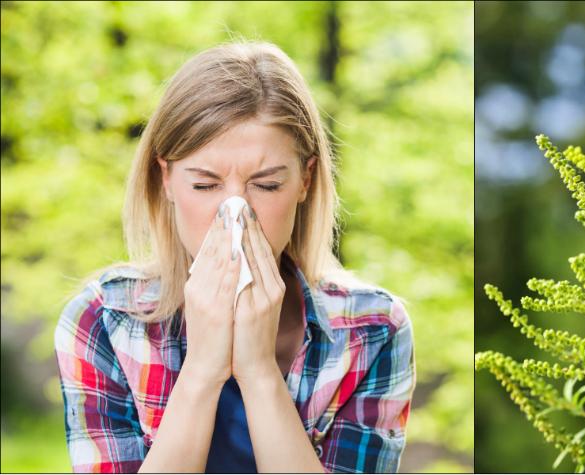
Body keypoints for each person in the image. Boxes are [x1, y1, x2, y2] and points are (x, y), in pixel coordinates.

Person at [53, 41, 415, 473]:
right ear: (165, 179)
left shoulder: (373, 330)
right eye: (205, 186)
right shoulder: (103, 321)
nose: (236, 214)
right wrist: (204, 368)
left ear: (305, 180)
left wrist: (259, 371)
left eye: (266, 185)